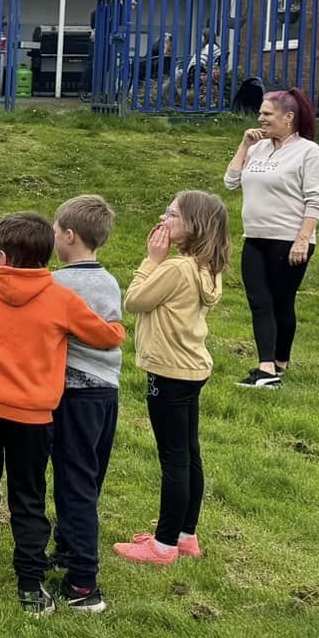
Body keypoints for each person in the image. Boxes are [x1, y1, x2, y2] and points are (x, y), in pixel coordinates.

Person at [0, 212, 126, 614]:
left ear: (3, 257)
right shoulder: (62, 299)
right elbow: (107, 335)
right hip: (32, 417)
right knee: (27, 499)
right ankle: (31, 587)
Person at [113, 191, 229, 568]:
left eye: (173, 214)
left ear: (193, 225)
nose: (164, 218)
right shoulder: (206, 267)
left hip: (169, 371)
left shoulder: (177, 268)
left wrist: (151, 261)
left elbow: (133, 301)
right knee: (189, 453)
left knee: (174, 458)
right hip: (192, 369)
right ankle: (186, 535)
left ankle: (163, 545)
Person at [223, 87, 319, 388]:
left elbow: (316, 199)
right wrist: (244, 146)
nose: (260, 118)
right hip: (254, 237)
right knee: (259, 301)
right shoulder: (257, 147)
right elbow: (231, 181)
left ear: (289, 118)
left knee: (282, 302)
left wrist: (302, 239)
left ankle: (279, 362)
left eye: (267, 114)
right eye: (260, 113)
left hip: (289, 240)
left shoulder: (309, 152)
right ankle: (267, 368)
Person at [47, 195, 123, 611]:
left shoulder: (60, 285)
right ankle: (68, 547)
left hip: (75, 394)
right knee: (87, 479)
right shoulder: (109, 280)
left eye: (57, 231)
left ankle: (83, 584)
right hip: (106, 392)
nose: (54, 238)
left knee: (73, 481)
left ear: (70, 236)